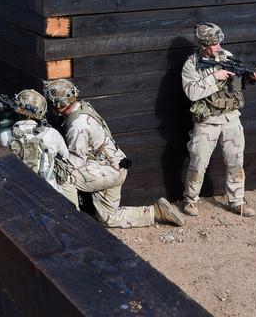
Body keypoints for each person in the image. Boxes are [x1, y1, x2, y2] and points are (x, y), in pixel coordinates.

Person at [43, 79, 184, 228]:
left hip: (107, 170)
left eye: (52, 104)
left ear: (61, 105)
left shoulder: (78, 125)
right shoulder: (83, 107)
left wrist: (51, 159)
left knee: (64, 177)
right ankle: (157, 212)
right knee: (109, 218)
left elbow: (76, 161)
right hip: (115, 166)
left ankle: (73, 224)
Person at [181, 22, 256, 218]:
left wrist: (251, 77)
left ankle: (237, 201)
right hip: (207, 121)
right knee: (198, 163)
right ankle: (190, 201)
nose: (218, 46)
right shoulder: (191, 64)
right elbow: (192, 92)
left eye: (219, 42)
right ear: (204, 45)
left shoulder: (227, 56)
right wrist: (214, 77)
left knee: (236, 162)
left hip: (231, 119)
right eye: (214, 43)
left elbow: (237, 83)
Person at [0, 89, 77, 206]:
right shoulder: (52, 134)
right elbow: (65, 157)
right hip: (52, 194)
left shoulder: (5, 136)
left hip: (21, 197)